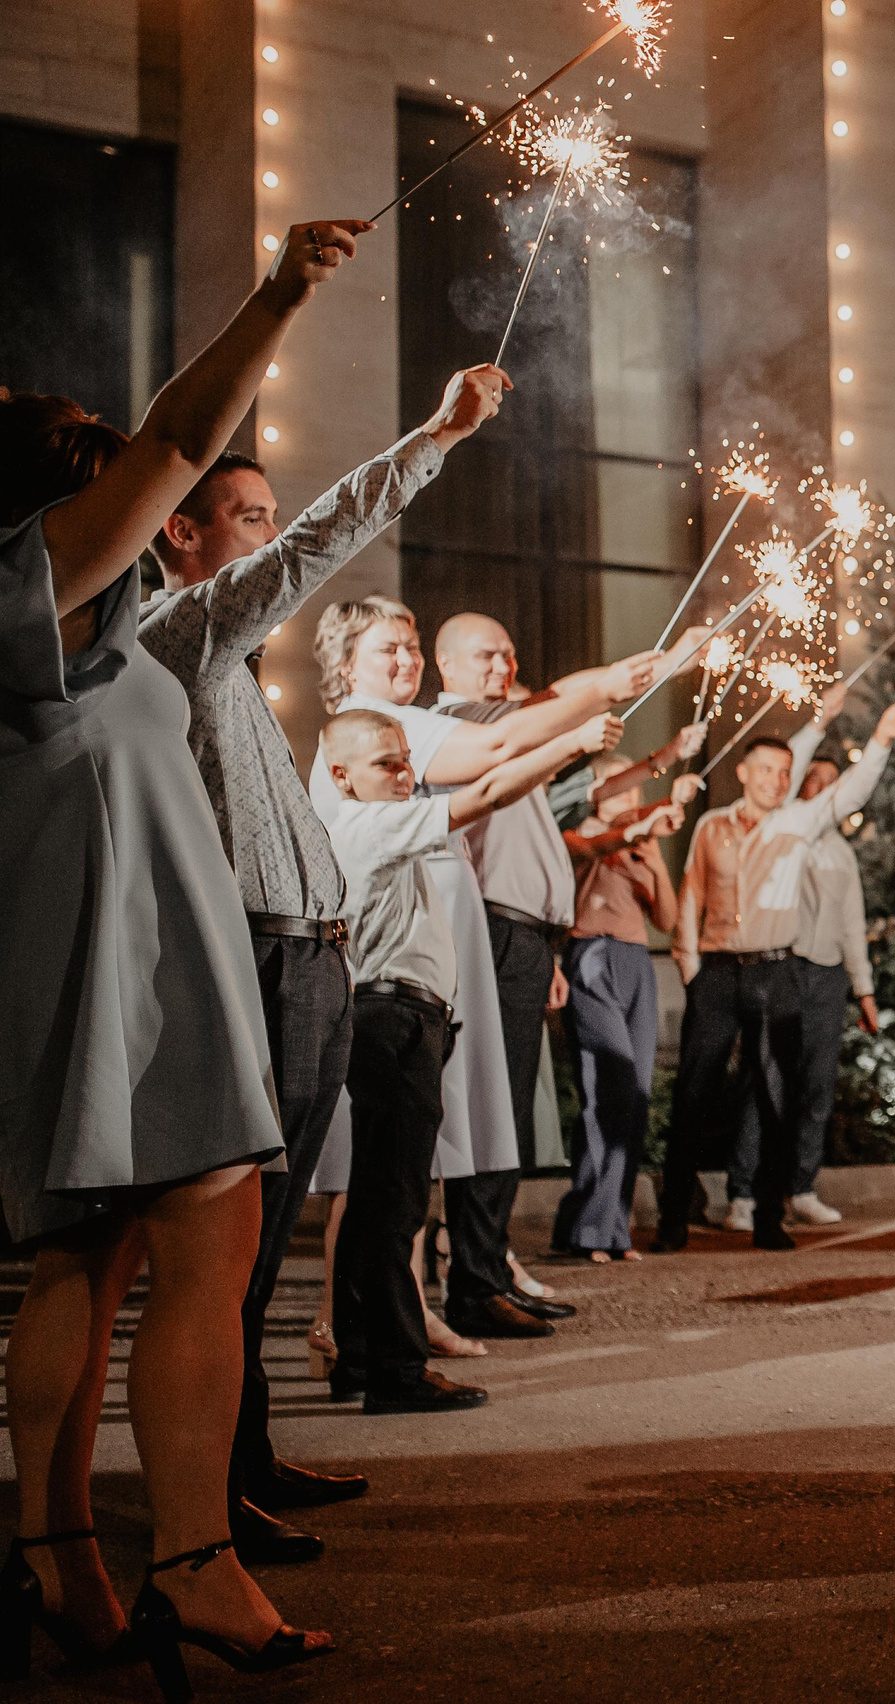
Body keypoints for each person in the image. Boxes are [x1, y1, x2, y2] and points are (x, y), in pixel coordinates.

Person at [1, 215, 358, 1688]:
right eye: (87, 448)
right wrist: (278, 296)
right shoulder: (31, 577)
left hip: (108, 944)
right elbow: (177, 435)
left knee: (85, 1254)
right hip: (117, 952)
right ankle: (194, 1563)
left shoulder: (96, 611)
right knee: (205, 1242)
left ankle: (63, 1554)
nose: (122, 465)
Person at [139, 363, 508, 1567]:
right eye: (246, 518)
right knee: (231, 1246)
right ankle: (214, 1498)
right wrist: (436, 438)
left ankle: (244, 1466)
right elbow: (315, 545)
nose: (268, 539)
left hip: (311, 963)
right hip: (257, 963)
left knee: (263, 1231)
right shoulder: (180, 631)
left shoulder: (228, 668)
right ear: (181, 534)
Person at [306, 596, 666, 1344]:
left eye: (409, 645)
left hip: (430, 969)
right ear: (346, 666)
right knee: (386, 1169)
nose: (403, 661)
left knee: (411, 1162)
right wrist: (587, 710)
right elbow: (492, 772)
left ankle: (399, 1316)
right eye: (388, 650)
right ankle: (364, 1328)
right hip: (392, 984)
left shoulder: (397, 734)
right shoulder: (371, 740)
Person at [320, 706, 617, 1421]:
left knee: (375, 1202)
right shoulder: (365, 824)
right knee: (395, 1204)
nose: (405, 773)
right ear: (340, 776)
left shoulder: (372, 821)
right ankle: (395, 1368)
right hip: (393, 1019)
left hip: (398, 1016)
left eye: (405, 759)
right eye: (386, 763)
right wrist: (569, 742)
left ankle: (360, 1355)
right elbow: (484, 794)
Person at [661, 696, 895, 1252]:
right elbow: (691, 897)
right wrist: (690, 968)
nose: (778, 780)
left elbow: (850, 791)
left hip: (776, 973)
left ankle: (769, 1220)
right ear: (743, 773)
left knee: (779, 1096)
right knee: (693, 1096)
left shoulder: (800, 824)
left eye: (785, 771)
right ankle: (672, 1220)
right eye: (768, 771)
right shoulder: (711, 826)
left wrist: (882, 738)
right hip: (718, 975)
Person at [731, 690, 892, 1228]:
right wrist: (819, 722)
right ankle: (745, 1193)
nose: (823, 789)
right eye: (813, 781)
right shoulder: (781, 832)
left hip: (826, 976)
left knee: (816, 1084)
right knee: (766, 1081)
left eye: (831, 783)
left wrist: (863, 989)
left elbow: (852, 923)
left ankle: (800, 1185)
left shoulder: (840, 853)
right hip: (780, 966)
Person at [553, 759, 697, 1260]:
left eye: (637, 790)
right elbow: (599, 844)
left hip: (636, 961)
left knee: (634, 1095)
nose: (631, 798)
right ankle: (589, 1227)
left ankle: (609, 1227)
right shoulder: (581, 832)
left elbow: (667, 918)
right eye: (622, 789)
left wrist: (654, 856)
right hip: (591, 955)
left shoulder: (642, 840)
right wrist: (648, 820)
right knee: (608, 1088)